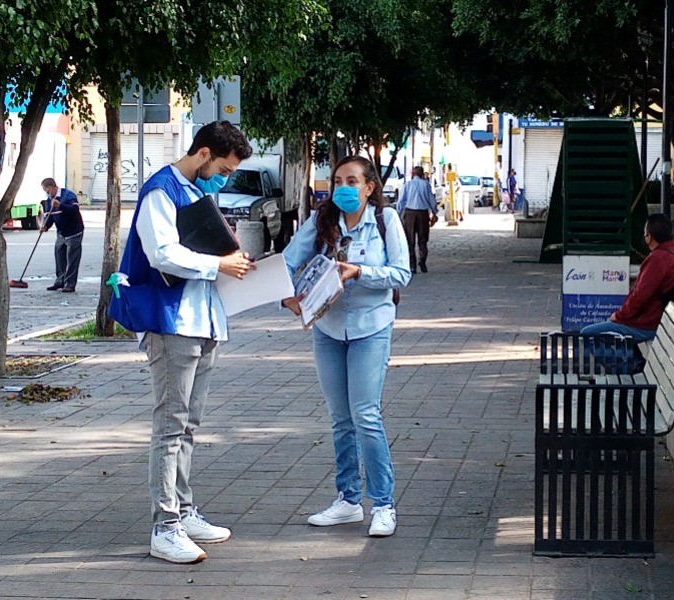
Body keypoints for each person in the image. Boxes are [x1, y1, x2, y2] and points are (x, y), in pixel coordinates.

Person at [108, 121, 254, 564]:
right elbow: (161, 254)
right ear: (205, 153)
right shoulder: (162, 191)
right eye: (224, 168)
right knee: (170, 426)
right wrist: (219, 265)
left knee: (187, 424)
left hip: (202, 321)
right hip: (172, 323)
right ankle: (164, 526)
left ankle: (184, 512)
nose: (225, 177)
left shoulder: (192, 192)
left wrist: (228, 263)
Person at [281, 155, 410, 538]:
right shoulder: (322, 222)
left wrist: (361, 273)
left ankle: (383, 504)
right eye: (338, 180)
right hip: (328, 328)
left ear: (370, 187)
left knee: (366, 415)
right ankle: (348, 500)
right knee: (340, 419)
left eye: (352, 180)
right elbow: (289, 261)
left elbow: (402, 273)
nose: (343, 188)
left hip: (372, 327)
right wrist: (287, 297)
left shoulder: (386, 222)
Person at [580, 214, 674, 370]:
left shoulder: (657, 259)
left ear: (649, 237)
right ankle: (636, 362)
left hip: (648, 323)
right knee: (612, 331)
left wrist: (618, 316)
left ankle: (629, 369)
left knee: (588, 334)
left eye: (645, 233)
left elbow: (639, 296)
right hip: (665, 320)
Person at [40, 179, 85, 293]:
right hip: (61, 232)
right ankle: (60, 280)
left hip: (74, 231)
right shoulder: (49, 201)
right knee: (59, 255)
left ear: (52, 187)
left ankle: (70, 284)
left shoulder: (68, 195)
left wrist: (60, 205)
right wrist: (45, 226)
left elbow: (74, 209)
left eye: (46, 190)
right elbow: (49, 216)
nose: (46, 192)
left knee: (72, 258)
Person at [398, 166, 438, 273]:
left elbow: (401, 201)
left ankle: (412, 266)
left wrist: (398, 214)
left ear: (413, 174)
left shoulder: (407, 185)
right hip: (423, 214)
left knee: (410, 240)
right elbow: (431, 200)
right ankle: (422, 260)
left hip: (410, 213)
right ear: (422, 175)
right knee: (423, 239)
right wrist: (434, 212)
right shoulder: (426, 185)